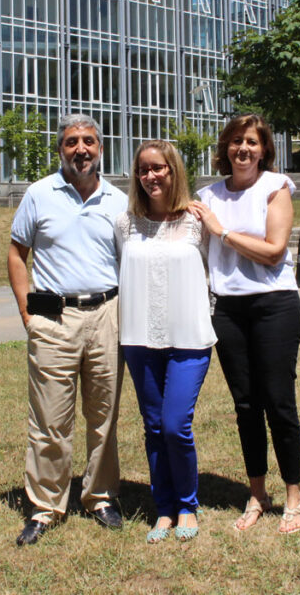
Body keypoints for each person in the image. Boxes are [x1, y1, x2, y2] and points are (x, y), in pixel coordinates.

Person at [7, 113, 130, 545]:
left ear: (101, 148)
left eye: (89, 141)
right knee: (49, 418)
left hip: (106, 316)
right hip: (53, 319)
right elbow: (17, 254)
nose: (81, 149)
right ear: (60, 148)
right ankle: (44, 506)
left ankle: (100, 496)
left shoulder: (118, 200)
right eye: (72, 141)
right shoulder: (39, 194)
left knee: (105, 414)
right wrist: (29, 316)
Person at [188, 113, 300, 535]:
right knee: (245, 406)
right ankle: (257, 493)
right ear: (225, 148)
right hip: (228, 311)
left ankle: (294, 495)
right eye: (236, 141)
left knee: (278, 401)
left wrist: (221, 232)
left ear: (264, 149)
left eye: (252, 142)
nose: (244, 149)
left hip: (274, 305)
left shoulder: (275, 187)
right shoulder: (207, 196)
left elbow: (274, 252)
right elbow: (192, 250)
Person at [115, 140, 216, 543]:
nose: (151, 176)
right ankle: (164, 509)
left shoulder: (197, 221)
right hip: (139, 339)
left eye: (159, 168)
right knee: (153, 426)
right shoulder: (125, 224)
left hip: (189, 338)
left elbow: (213, 270)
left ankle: (188, 505)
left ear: (174, 171)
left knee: (176, 425)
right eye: (144, 169)